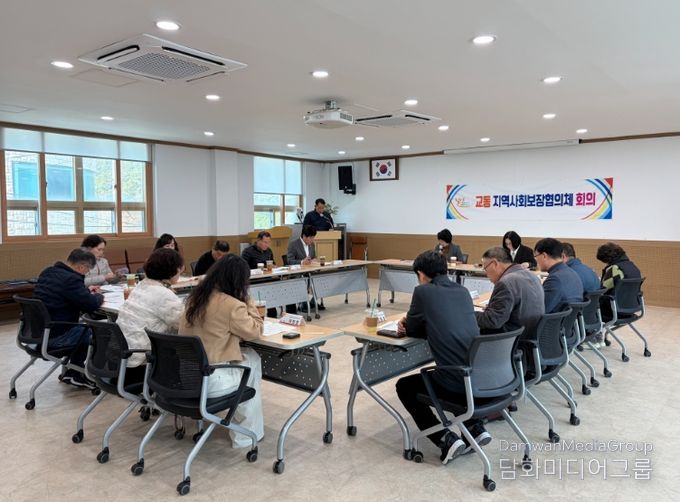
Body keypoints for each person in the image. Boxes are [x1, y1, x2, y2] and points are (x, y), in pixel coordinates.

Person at [394, 250, 485, 465]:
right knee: (453, 368)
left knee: (405, 386)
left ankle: (444, 439)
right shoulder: (462, 291)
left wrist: (406, 323)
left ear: (421, 273)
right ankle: (475, 428)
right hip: (481, 377)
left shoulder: (423, 292)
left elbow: (413, 330)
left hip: (456, 381)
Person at [179, 254, 264, 449]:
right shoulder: (232, 305)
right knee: (252, 361)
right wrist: (247, 298)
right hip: (211, 380)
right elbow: (256, 331)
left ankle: (244, 427)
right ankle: (246, 435)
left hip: (186, 377)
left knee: (249, 358)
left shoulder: (195, 299)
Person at [33, 248, 104, 389]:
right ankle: (79, 373)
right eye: (87, 270)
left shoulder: (48, 272)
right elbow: (91, 305)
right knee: (97, 333)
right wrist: (99, 296)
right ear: (81, 267)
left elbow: (63, 293)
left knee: (82, 329)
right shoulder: (71, 279)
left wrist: (85, 292)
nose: (86, 273)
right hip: (56, 336)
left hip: (37, 332)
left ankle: (73, 372)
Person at [116, 249, 185, 381]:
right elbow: (184, 324)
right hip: (140, 364)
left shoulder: (141, 286)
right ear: (174, 270)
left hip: (121, 360)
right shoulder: (163, 294)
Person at [475, 246, 545, 338]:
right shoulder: (532, 276)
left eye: (485, 268)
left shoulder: (506, 282)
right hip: (531, 334)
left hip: (510, 339)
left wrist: (468, 314)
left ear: (495, 264)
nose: (486, 274)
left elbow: (494, 321)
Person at [534, 238, 584, 313]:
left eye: (536, 256)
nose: (536, 260)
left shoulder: (555, 280)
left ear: (544, 256)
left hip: (553, 319)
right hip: (570, 319)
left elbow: (540, 310)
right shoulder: (572, 272)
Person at [596, 242, 642, 321]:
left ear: (608, 258)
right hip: (631, 309)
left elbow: (602, 289)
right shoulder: (633, 267)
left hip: (613, 311)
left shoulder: (615, 268)